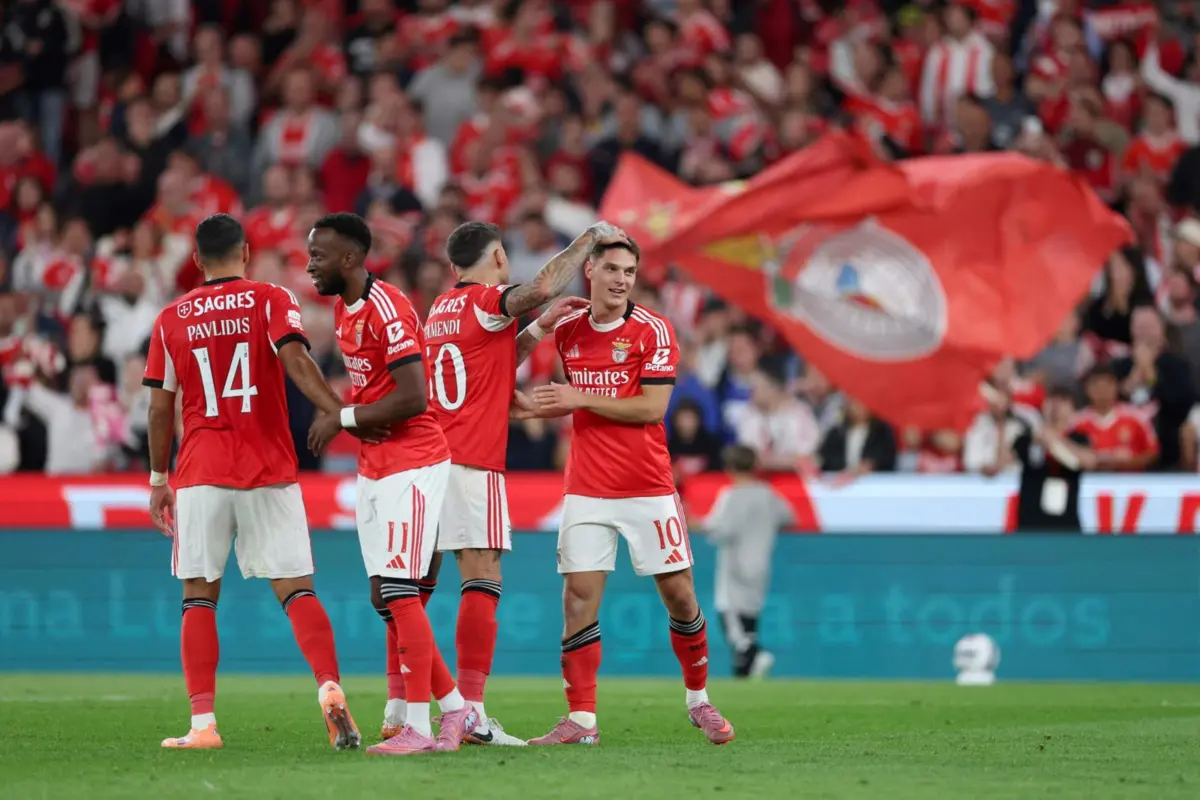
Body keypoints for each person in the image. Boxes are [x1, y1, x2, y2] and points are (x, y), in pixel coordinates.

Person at [144, 214, 369, 751]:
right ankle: (330, 689)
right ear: (245, 251)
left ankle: (203, 725)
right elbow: (296, 359)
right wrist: (339, 413)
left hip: (201, 470)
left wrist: (158, 478)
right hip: (268, 467)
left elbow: (159, 407)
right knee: (296, 590)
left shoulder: (171, 318)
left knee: (198, 597)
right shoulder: (272, 298)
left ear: (196, 260)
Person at [406, 219, 622, 747]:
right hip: (470, 461)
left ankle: (403, 708)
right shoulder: (488, 298)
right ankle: (471, 710)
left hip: (428, 459)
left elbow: (489, 365)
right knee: (482, 578)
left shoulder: (440, 310)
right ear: (499, 257)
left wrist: (540, 329)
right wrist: (588, 239)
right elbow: (544, 285)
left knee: (414, 590)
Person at [521, 235, 735, 746]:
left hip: (647, 485)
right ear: (590, 270)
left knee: (680, 596)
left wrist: (577, 396)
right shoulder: (568, 329)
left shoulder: (654, 330)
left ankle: (699, 701)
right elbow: (500, 362)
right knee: (577, 600)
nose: (621, 280)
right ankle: (583, 720)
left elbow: (650, 409)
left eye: (630, 272)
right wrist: (537, 328)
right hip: (588, 486)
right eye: (613, 268)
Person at [303, 212, 475, 756]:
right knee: (386, 596)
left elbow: (413, 397)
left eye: (319, 255)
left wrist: (342, 418)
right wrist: (353, 422)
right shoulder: (342, 307)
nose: (310, 265)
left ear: (350, 259)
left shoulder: (388, 307)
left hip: (415, 460)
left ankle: (420, 729)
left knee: (402, 591)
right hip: (375, 464)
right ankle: (453, 711)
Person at [700, 445, 792, 678]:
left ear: (729, 467)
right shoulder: (768, 494)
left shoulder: (730, 496)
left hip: (735, 563)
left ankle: (752, 652)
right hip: (760, 561)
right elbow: (789, 517)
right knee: (750, 615)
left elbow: (720, 529)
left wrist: (697, 522)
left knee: (727, 610)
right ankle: (746, 667)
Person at [1011, 387, 1097, 532]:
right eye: (1051, 401)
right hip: (1030, 520)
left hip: (1066, 520)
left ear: (1072, 409)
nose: (1056, 407)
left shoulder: (1078, 438)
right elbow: (1003, 463)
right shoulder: (1026, 438)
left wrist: (1055, 439)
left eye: (1062, 402)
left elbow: (1089, 462)